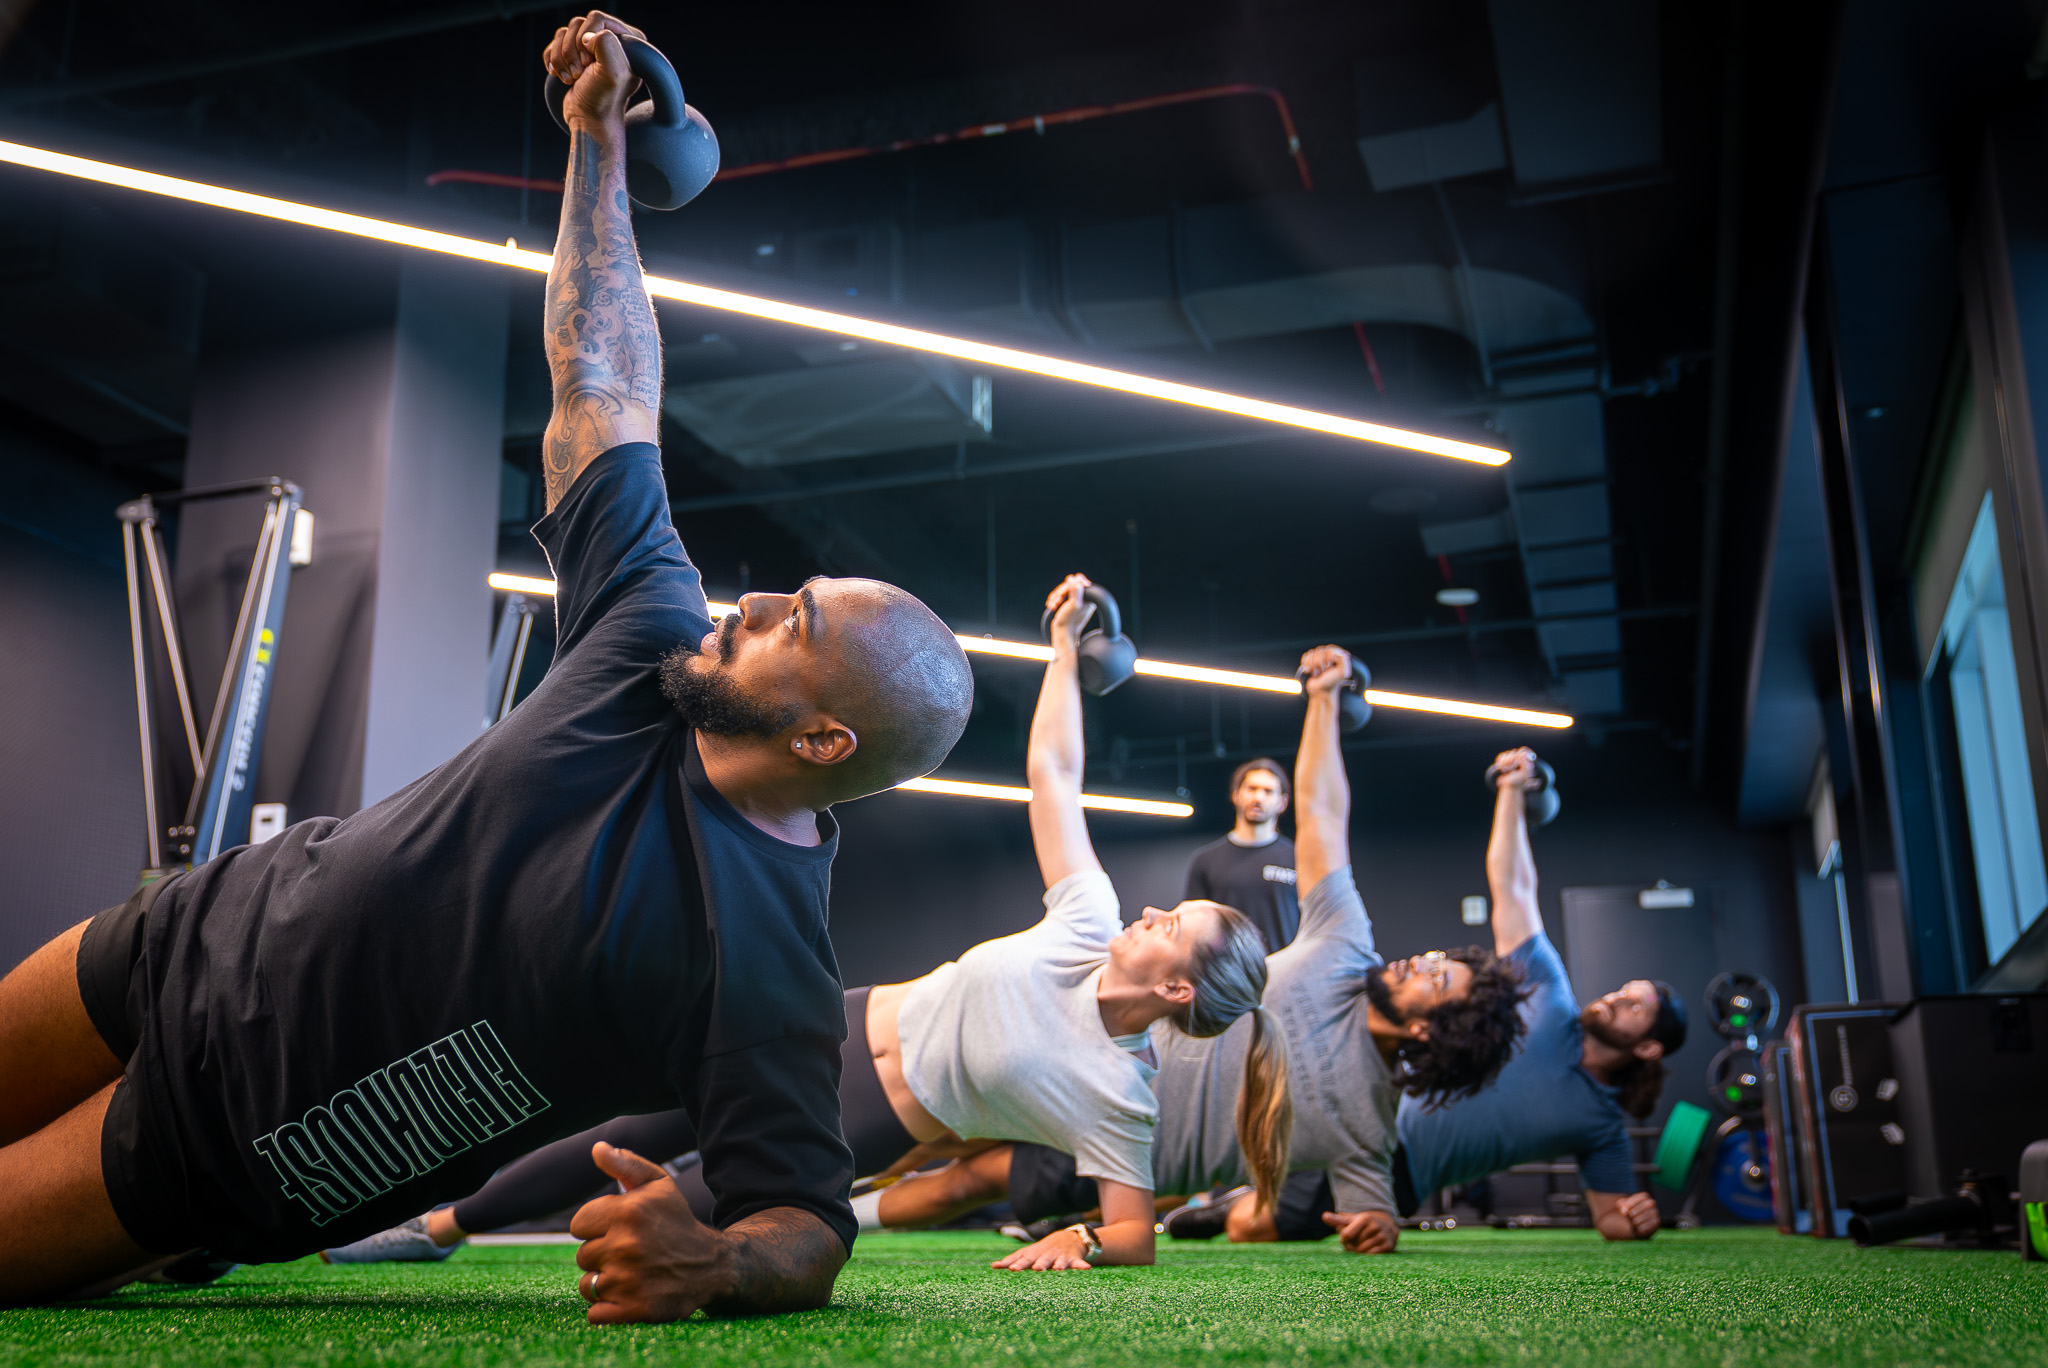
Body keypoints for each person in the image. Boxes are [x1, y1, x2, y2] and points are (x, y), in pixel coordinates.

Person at [0, 12, 976, 1322]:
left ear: (822, 742)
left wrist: (716, 1263)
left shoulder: (763, 964)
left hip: (236, 1137)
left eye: (788, 622)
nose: (747, 603)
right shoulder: (650, 635)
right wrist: (595, 155)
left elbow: (802, 1217)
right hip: (195, 930)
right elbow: (602, 383)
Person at [322, 573, 1290, 1278]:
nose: (1155, 909)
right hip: (827, 1022)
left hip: (860, 1124)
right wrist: (1062, 659)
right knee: (618, 1120)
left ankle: (467, 1230)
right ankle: (426, 1224)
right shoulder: (1089, 920)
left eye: (1177, 924)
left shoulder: (1117, 1097)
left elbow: (1135, 1237)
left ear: (1177, 989)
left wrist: (1075, 1239)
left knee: (669, 1206)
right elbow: (1054, 778)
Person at [871, 645, 1531, 1257]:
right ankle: (829, 1179)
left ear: (1426, 1028)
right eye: (1438, 956)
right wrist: (1324, 700)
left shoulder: (1369, 1125)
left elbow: (1374, 1207)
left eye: (1438, 979)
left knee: (966, 1181)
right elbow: (1325, 820)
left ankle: (850, 1217)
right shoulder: (1345, 947)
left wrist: (1379, 1225)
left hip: (1122, 1140)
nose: (1422, 960)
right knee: (931, 1125)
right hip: (1077, 1051)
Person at [1388, 747, 1684, 1241]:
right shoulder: (1548, 991)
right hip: (1375, 1107)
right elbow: (1514, 889)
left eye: (1634, 1006)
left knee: (1264, 1225)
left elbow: (1610, 1219)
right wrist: (1509, 790)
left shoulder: (1602, 1127)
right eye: (1621, 990)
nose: (1613, 998)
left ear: (1648, 1046)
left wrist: (1636, 1220)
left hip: (1396, 1179)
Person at [1183, 759, 1300, 952]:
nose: (1258, 798)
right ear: (1236, 795)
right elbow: (1193, 928)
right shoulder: (1205, 860)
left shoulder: (1299, 858)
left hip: (1286, 974)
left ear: (1283, 802)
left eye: (1268, 791)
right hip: (1227, 976)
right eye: (1251, 788)